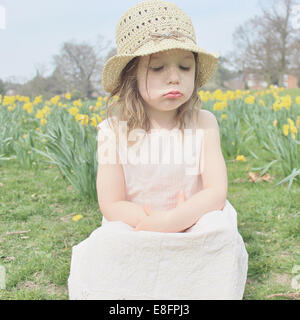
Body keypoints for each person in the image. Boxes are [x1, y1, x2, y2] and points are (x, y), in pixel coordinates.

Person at [68, 0, 248, 300]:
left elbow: (216, 192)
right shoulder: (113, 131)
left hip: (194, 220)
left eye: (184, 66)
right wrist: (149, 222)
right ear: (130, 75)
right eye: (158, 67)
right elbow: (111, 203)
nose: (174, 76)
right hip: (137, 224)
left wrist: (175, 220)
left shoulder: (203, 123)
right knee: (111, 241)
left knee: (221, 232)